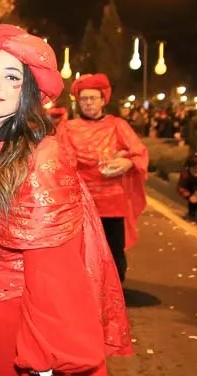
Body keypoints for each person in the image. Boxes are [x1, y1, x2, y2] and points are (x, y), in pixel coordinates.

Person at [0, 25, 133, 376]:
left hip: (33, 352)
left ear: (32, 92)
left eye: (12, 77)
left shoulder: (39, 158)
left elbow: (54, 276)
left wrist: (42, 375)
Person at [58, 73, 148, 284]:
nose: (88, 103)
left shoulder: (117, 125)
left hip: (112, 202)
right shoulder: (67, 128)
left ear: (103, 100)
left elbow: (139, 152)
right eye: (84, 99)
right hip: (80, 202)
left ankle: (115, 292)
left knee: (114, 254)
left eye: (93, 98)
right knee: (82, 253)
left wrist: (127, 162)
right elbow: (58, 159)